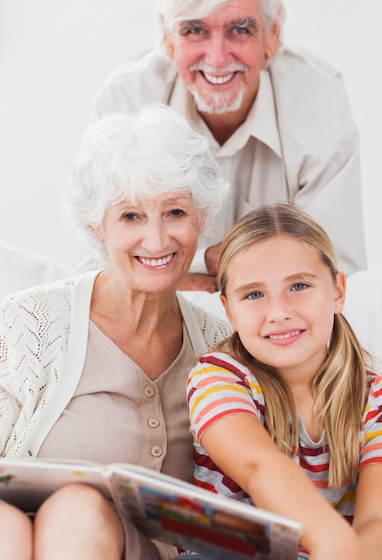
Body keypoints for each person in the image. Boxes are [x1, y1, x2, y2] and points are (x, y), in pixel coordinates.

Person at [0, 103, 232, 560]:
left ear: (201, 218)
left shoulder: (225, 346)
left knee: (77, 511)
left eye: (175, 212)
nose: (157, 240)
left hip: (144, 550)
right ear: (96, 224)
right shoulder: (28, 322)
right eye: (131, 217)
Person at [89, 0, 367, 292]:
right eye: (194, 30)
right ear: (168, 37)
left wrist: (169, 276)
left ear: (273, 34)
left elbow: (335, 280)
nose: (217, 58)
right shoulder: (126, 101)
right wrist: (213, 261)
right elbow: (97, 275)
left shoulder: (318, 103)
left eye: (240, 29)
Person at [186, 203, 382, 560]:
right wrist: (329, 540)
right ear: (228, 309)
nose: (279, 312)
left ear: (338, 292)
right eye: (254, 294)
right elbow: (258, 467)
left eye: (298, 285)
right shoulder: (218, 377)